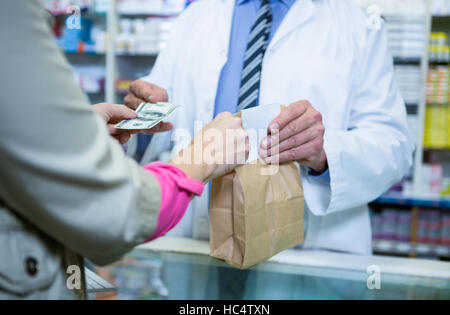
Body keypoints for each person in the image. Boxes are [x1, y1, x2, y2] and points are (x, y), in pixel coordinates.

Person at [0, 0, 248, 299]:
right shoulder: (12, 15)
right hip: (183, 240)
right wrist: (201, 160)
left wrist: (77, 133)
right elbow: (113, 212)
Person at [124, 0, 414, 254]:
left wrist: (324, 153)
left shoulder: (359, 26)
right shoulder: (194, 17)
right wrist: (142, 118)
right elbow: (159, 127)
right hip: (198, 244)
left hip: (307, 256)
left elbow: (394, 145)